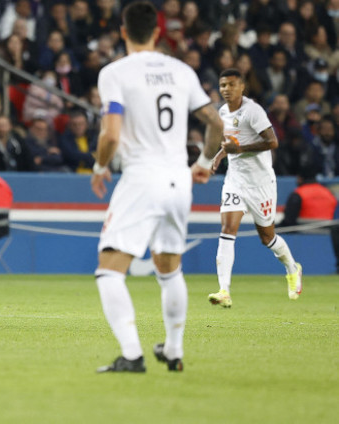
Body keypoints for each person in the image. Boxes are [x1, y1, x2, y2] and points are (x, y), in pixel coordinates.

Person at [90, 2, 224, 374]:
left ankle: (132, 355)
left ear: (122, 31)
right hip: (179, 178)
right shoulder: (180, 70)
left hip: (142, 177)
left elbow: (111, 134)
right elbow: (215, 123)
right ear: (157, 32)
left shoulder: (115, 72)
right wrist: (201, 164)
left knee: (109, 270)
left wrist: (100, 166)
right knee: (169, 269)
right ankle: (175, 351)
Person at [208, 68, 303, 309]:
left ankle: (292, 268)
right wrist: (221, 155)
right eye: (222, 86)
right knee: (228, 229)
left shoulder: (253, 111)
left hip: (260, 183)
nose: (226, 90)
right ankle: (224, 291)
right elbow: (231, 141)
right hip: (235, 180)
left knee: (267, 238)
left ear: (242, 87)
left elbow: (273, 142)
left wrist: (237, 151)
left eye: (231, 85)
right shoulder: (222, 112)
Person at [278, 164, 339, 273]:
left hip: (303, 230)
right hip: (329, 232)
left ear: (300, 178)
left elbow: (288, 221)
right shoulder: (329, 193)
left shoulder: (298, 193)